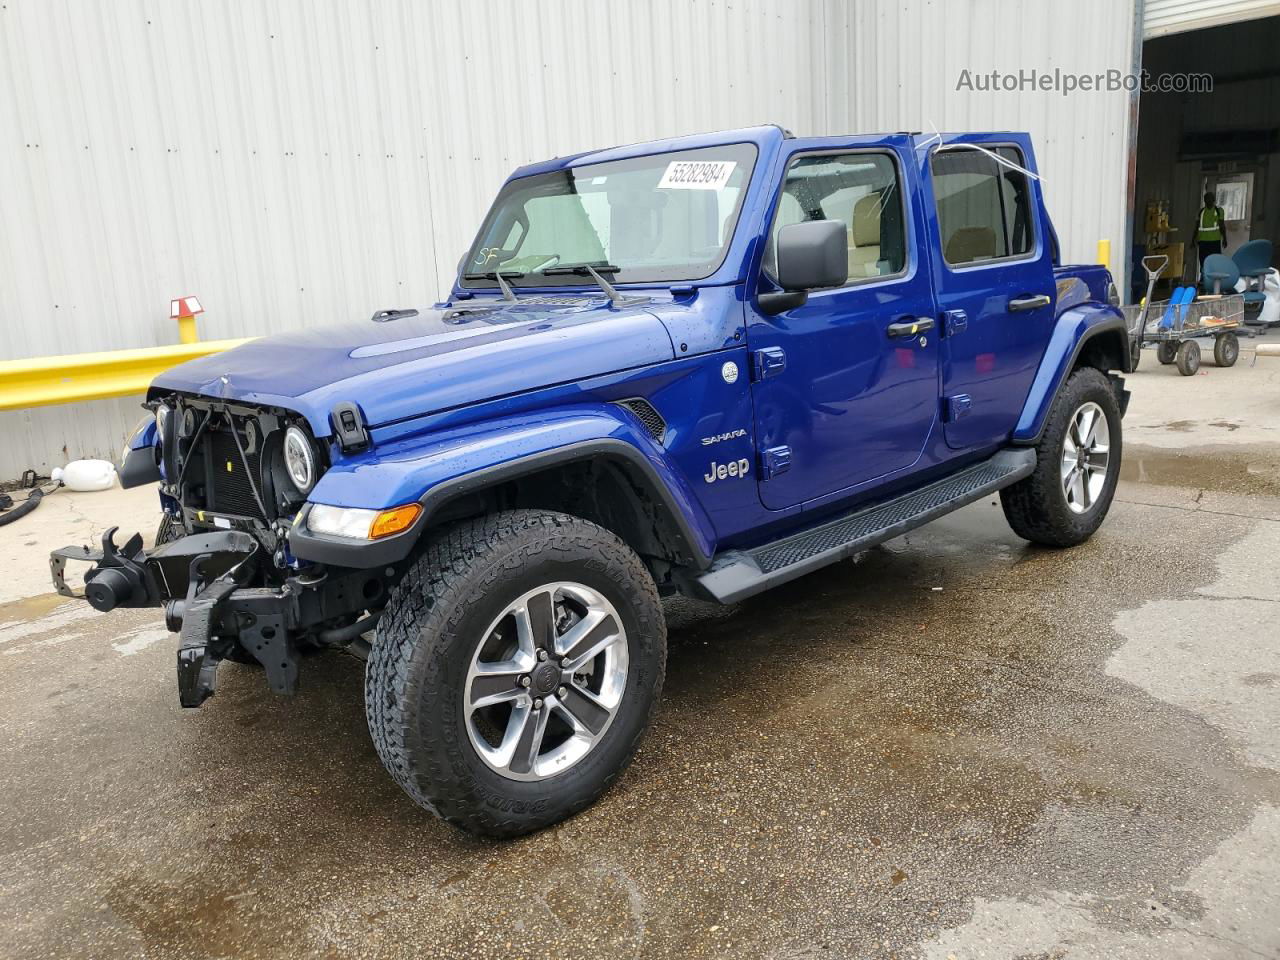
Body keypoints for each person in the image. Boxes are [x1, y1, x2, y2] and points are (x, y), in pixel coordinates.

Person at [1195, 190, 1228, 274]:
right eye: (1206, 199)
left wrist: (1224, 238)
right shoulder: (1201, 212)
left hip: (1215, 241)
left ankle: (1216, 280)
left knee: (1216, 261)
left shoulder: (1219, 211)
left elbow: (1222, 225)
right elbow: (1196, 227)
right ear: (1204, 200)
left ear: (1214, 200)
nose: (1208, 201)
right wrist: (1193, 240)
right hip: (1202, 241)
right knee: (1203, 261)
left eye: (1210, 199)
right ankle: (1204, 279)